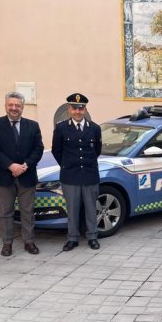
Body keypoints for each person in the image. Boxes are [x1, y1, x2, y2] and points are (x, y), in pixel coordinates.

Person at [0, 91, 44, 256]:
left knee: (28, 211)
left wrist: (25, 166)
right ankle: (7, 243)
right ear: (5, 106)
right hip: (5, 176)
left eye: (17, 105)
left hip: (27, 175)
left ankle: (29, 241)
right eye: (11, 105)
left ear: (22, 107)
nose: (14, 108)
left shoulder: (32, 125)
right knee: (5, 212)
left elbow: (38, 149)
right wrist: (11, 166)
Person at [52, 93, 102, 251]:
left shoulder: (95, 128)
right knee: (72, 209)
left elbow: (97, 151)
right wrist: (67, 165)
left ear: (85, 109)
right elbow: (56, 151)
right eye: (74, 108)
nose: (77, 111)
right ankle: (72, 238)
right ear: (69, 109)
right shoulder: (61, 128)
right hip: (70, 175)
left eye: (81, 108)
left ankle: (92, 237)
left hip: (89, 174)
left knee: (91, 208)